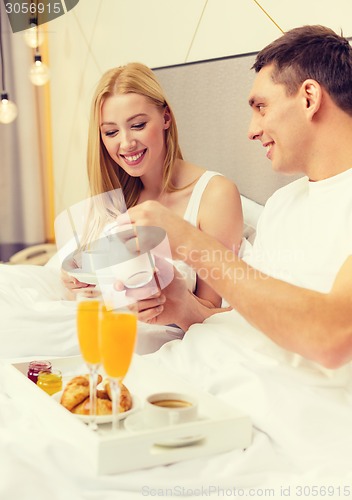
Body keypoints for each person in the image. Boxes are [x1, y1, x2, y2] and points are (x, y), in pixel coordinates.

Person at [126, 26, 352, 368]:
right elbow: (244, 321)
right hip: (195, 372)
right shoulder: (283, 203)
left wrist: (191, 242)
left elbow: (332, 336)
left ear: (309, 98)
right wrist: (183, 307)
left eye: (261, 107)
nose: (251, 129)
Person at [62, 62, 243, 331]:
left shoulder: (215, 195)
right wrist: (77, 283)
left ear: (166, 119)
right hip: (109, 334)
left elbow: (216, 317)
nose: (125, 143)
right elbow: (97, 294)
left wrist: (177, 302)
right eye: (111, 132)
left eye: (137, 125)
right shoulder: (115, 198)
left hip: (166, 344)